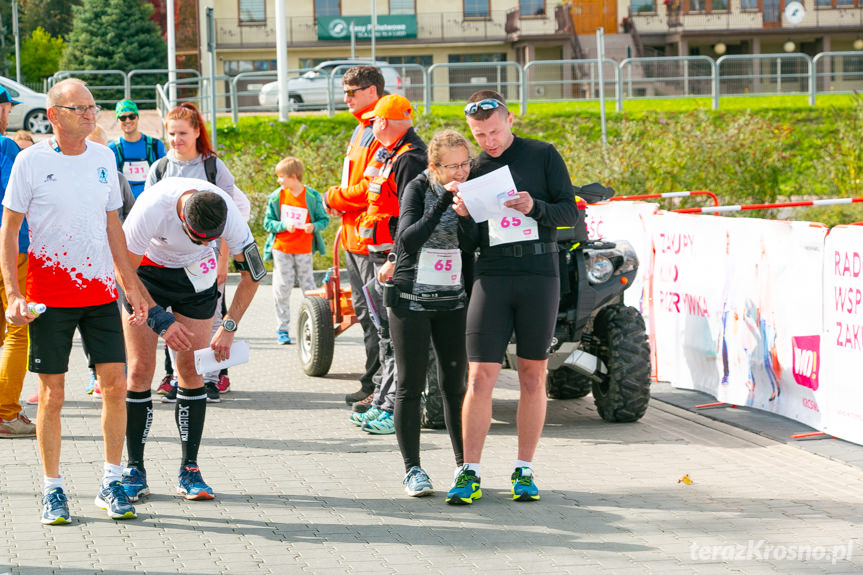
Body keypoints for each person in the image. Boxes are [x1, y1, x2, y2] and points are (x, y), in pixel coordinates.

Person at [0, 78, 151, 524]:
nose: (90, 114)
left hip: (101, 293)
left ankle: (110, 481)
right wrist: (13, 291)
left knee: (115, 387)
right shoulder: (29, 161)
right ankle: (53, 489)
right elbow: (9, 230)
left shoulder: (105, 158)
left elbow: (113, 230)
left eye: (92, 106)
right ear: (53, 114)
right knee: (53, 394)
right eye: (79, 107)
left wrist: (132, 286)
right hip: (48, 297)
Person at [447, 91, 578, 505]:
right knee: (480, 375)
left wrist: (534, 206)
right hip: (493, 274)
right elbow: (468, 242)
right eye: (479, 134)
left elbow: (569, 213)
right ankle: (470, 471)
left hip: (540, 272)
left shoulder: (542, 155)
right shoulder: (474, 169)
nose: (489, 141)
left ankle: (524, 469)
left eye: (495, 131)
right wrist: (465, 217)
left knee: (532, 375)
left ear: (510, 120)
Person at [120, 176, 262, 503]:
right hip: (145, 276)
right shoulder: (153, 207)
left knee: (191, 371)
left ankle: (190, 469)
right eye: (196, 238)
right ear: (182, 217)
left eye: (208, 240)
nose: (201, 243)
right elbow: (123, 271)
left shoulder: (229, 215)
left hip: (196, 278)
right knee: (141, 370)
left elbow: (254, 275)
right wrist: (158, 319)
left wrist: (228, 325)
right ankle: (134, 468)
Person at [385, 130, 472, 496]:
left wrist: (467, 216)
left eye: (466, 164)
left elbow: (471, 244)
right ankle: (413, 470)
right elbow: (407, 238)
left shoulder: (472, 187)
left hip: (453, 299)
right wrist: (442, 204)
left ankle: (465, 466)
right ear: (435, 167)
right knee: (410, 383)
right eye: (452, 167)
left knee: (455, 386)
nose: (461, 172)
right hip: (411, 299)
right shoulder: (419, 188)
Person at [146, 102, 250, 401]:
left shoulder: (213, 167)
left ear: (196, 133)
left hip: (206, 255)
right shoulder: (160, 168)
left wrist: (223, 260)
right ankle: (175, 375)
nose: (176, 139)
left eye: (182, 133)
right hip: (166, 258)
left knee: (213, 316)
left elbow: (231, 219)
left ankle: (212, 377)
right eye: (171, 133)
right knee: (169, 316)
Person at [351, 94, 427, 436]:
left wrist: (398, 259)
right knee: (385, 334)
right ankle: (382, 401)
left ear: (383, 122)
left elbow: (411, 216)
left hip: (396, 260)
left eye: (373, 122)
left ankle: (391, 407)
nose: (370, 127)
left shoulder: (409, 159)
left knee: (397, 338)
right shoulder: (391, 153)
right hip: (381, 256)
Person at [324, 65, 385, 409]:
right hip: (353, 236)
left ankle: (379, 386)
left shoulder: (379, 129)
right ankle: (372, 382)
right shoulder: (362, 128)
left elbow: (370, 189)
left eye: (352, 91)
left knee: (377, 318)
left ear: (373, 91)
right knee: (366, 315)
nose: (346, 98)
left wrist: (334, 198)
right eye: (344, 91)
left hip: (370, 241)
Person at [263, 157, 328, 344]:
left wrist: (313, 226)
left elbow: (324, 220)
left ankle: (315, 325)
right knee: (283, 287)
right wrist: (283, 225)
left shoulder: (313, 197)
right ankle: (282, 329)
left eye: (281, 177)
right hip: (282, 248)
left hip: (304, 249)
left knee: (309, 287)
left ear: (293, 176)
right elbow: (268, 223)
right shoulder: (277, 197)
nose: (278, 181)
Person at [0, 85, 33, 438]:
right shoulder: (6, 147)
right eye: (8, 108)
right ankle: (6, 414)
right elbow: (21, 197)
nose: (9, 115)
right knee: (17, 330)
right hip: (11, 249)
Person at [108, 100, 166, 199]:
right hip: (124, 206)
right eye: (122, 118)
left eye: (132, 116)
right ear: (118, 120)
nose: (127, 121)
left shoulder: (155, 145)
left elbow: (165, 177)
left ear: (137, 117)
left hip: (151, 202)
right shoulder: (112, 149)